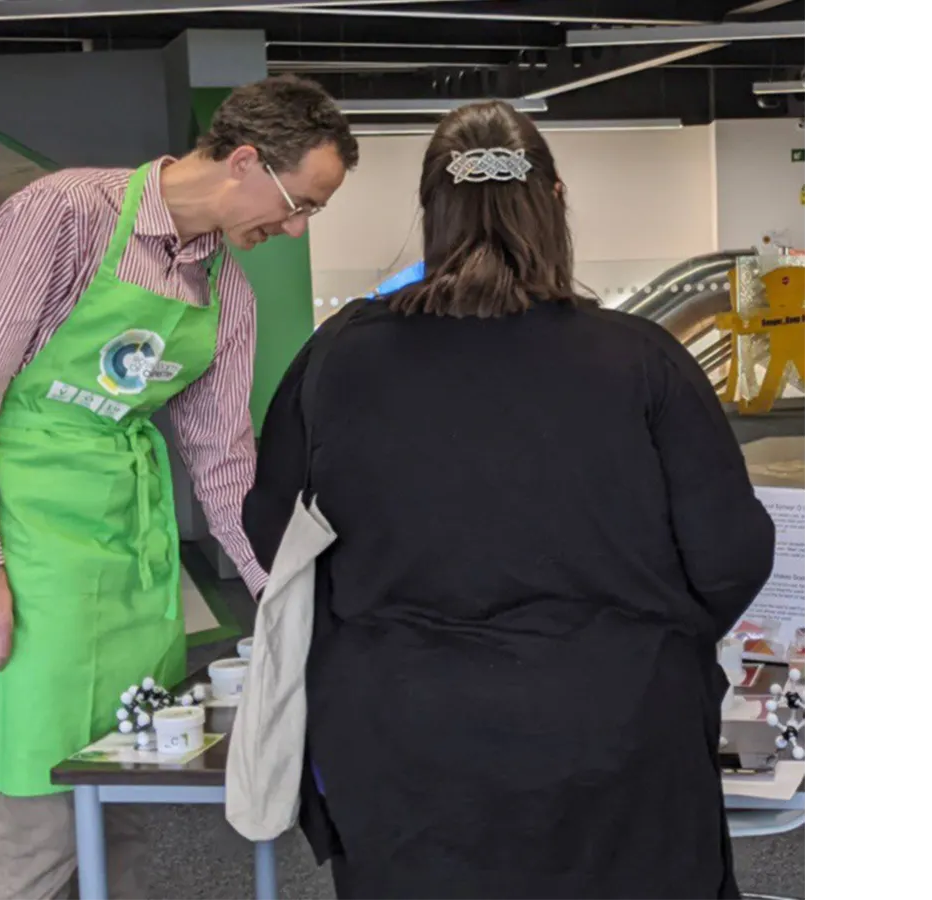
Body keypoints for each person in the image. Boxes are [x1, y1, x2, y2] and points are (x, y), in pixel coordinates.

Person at [242, 100, 775, 900]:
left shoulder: (340, 357)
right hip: (617, 728)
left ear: (431, 211)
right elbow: (731, 554)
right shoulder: (641, 361)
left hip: (403, 739)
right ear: (555, 201)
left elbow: (271, 529)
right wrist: (638, 639)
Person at [0, 75, 358, 900]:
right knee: (36, 827)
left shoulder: (225, 288)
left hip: (126, 553)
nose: (295, 229)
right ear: (243, 161)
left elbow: (224, 461)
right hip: (24, 548)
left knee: (117, 803)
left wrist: (280, 590)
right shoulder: (65, 215)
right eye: (300, 204)